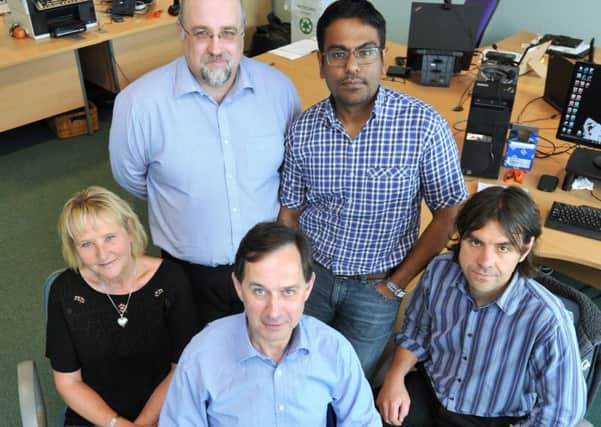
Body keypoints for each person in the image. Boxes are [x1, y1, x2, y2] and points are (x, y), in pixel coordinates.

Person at [278, 0, 468, 376]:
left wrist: (397, 284)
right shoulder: (304, 129)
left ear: (383, 58)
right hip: (311, 277)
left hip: (377, 287)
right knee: (295, 367)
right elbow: (290, 211)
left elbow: (451, 209)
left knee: (349, 380)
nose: (351, 67)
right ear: (321, 62)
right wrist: (287, 276)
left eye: (365, 53)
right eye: (338, 54)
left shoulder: (423, 126)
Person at [109, 0, 301, 328]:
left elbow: (290, 171)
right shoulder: (138, 104)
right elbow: (131, 178)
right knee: (195, 363)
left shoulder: (280, 91)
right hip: (186, 274)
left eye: (227, 33)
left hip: (267, 266)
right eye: (202, 33)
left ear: (242, 34)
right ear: (181, 33)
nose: (216, 47)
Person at [377, 186, 587, 427]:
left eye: (503, 247)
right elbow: (416, 330)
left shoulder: (548, 319)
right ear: (461, 237)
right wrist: (395, 378)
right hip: (431, 392)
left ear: (525, 249)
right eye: (475, 242)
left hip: (494, 419)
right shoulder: (440, 271)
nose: (485, 261)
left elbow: (561, 413)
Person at [159, 222, 382, 426]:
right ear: (238, 287)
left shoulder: (334, 349)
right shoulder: (201, 355)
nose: (274, 312)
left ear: (307, 288)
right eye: (259, 291)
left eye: (288, 291)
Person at [47, 186, 200, 426]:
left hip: (166, 410)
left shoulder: (170, 279)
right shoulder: (64, 292)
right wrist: (116, 424)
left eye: (110, 237)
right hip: (96, 417)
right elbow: (69, 383)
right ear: (74, 247)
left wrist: (142, 423)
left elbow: (181, 368)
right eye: (87, 244)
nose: (102, 254)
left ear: (129, 229)